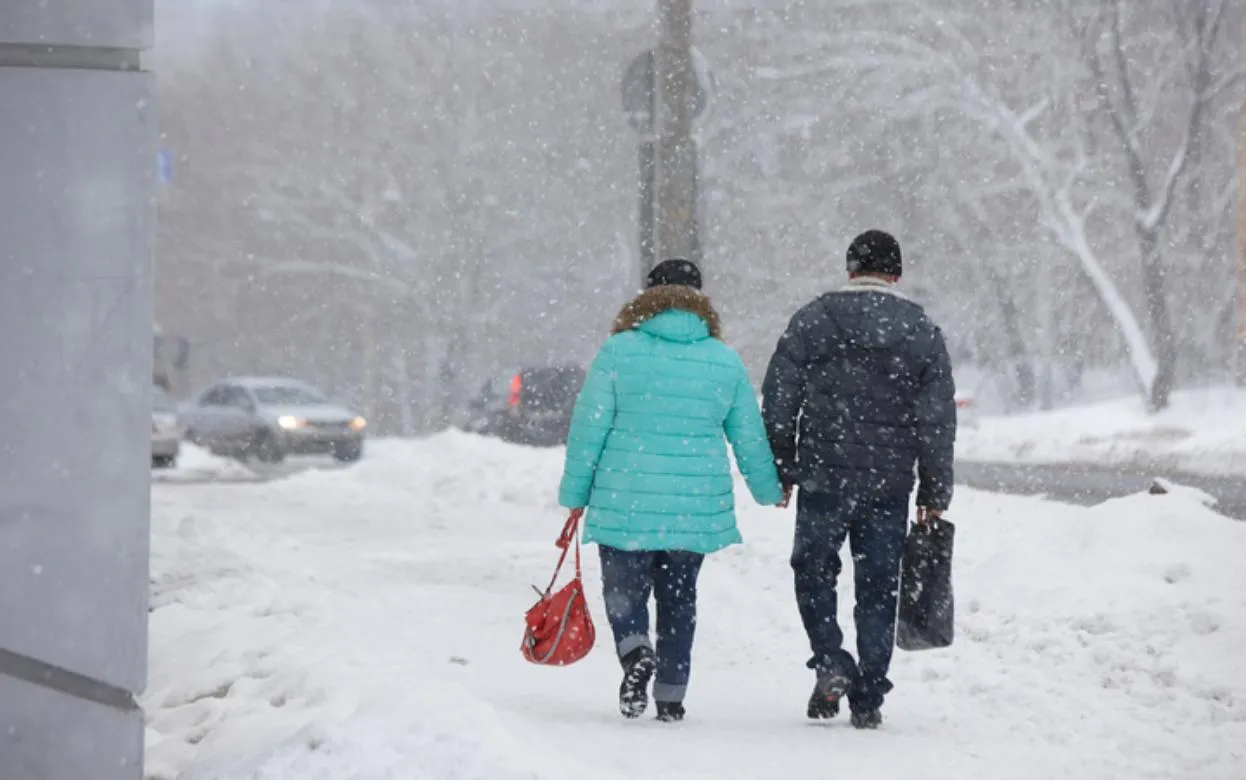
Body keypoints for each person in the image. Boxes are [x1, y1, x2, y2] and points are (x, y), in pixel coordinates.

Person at [559, 258, 786, 723]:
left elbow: (589, 429)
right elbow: (748, 435)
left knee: (624, 594)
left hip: (626, 500)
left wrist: (575, 494)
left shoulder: (619, 351)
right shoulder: (723, 359)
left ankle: (635, 650)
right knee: (679, 598)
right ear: (700, 300)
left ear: (647, 297)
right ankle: (671, 694)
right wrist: (769, 490)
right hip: (693, 508)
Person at [761, 230, 956, 729]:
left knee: (814, 571)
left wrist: (782, 466)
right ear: (897, 272)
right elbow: (936, 420)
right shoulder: (920, 330)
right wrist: (933, 490)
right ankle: (869, 693)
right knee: (879, 586)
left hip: (824, 478)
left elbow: (780, 399)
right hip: (888, 485)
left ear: (851, 268)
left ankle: (830, 659)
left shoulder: (813, 320)